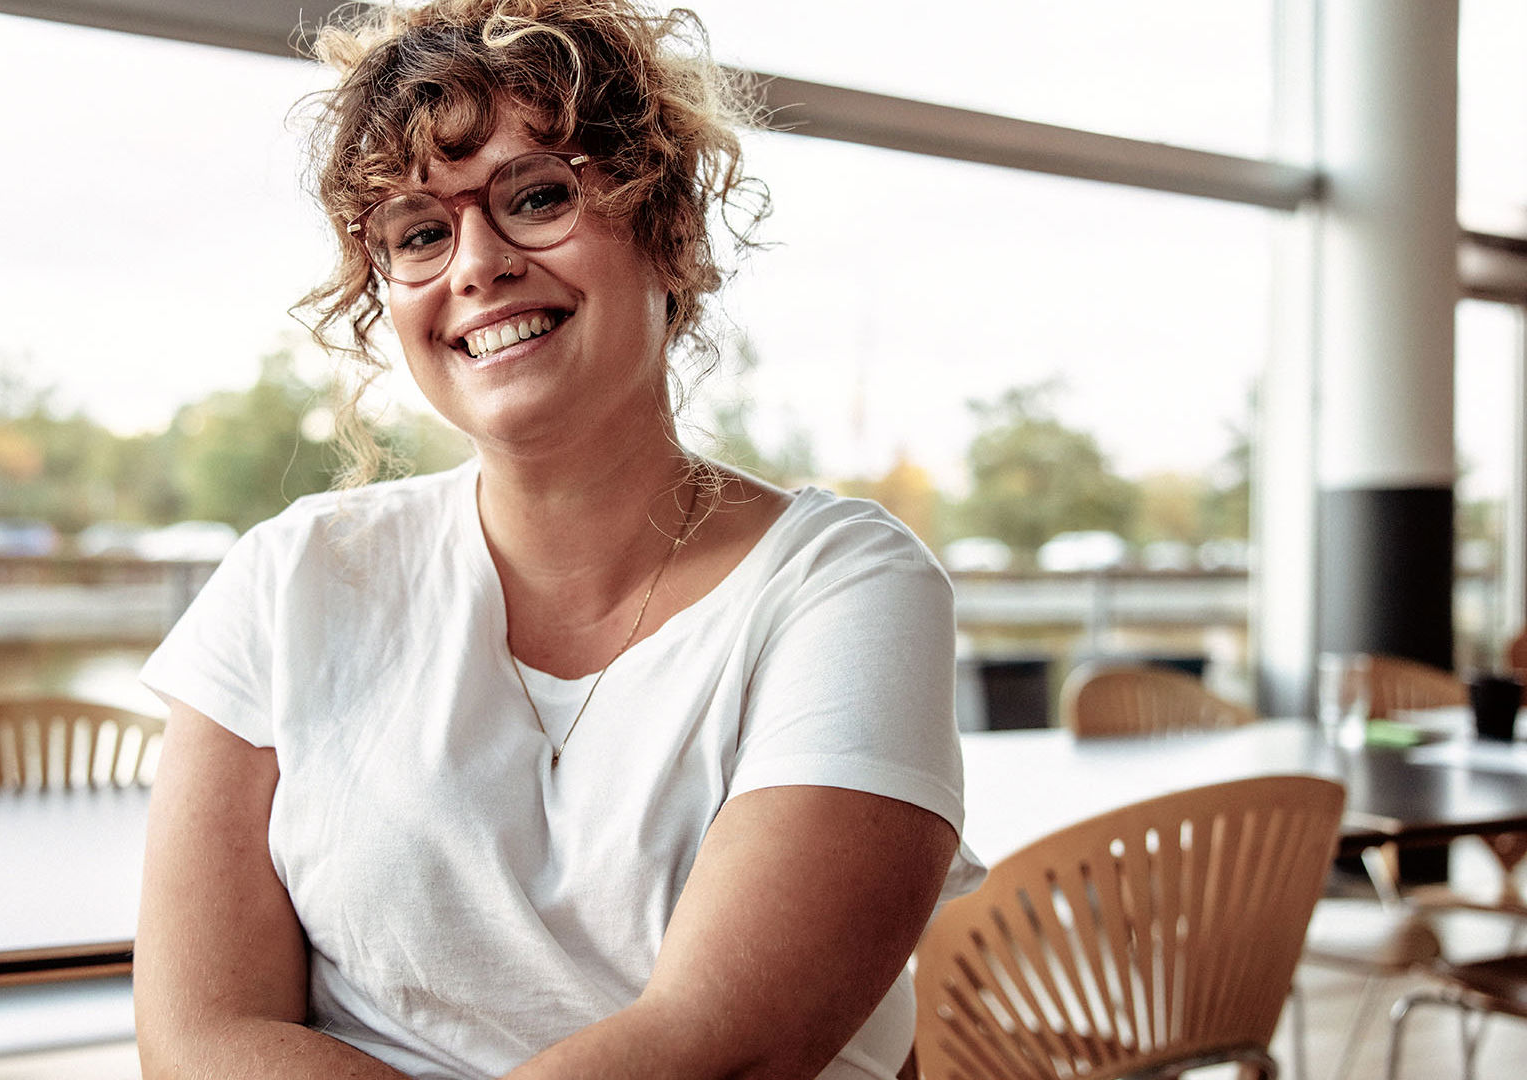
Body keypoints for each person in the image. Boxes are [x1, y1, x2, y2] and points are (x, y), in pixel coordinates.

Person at [133, 1, 983, 1076]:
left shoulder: (843, 585)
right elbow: (200, 1039)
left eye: (536, 197)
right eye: (419, 232)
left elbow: (713, 1049)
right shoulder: (287, 580)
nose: (475, 265)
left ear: (667, 228)